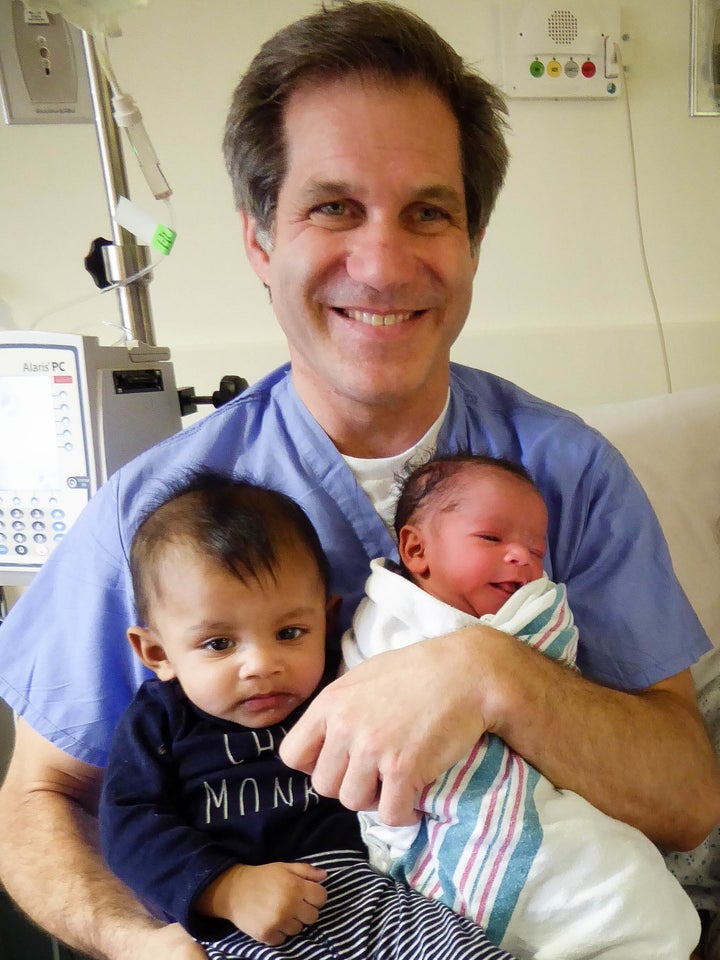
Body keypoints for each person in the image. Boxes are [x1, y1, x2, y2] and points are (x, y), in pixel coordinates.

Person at [0, 3, 718, 959]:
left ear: (471, 243)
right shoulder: (158, 512)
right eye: (333, 207)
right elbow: (41, 799)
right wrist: (143, 943)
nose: (382, 265)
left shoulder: (567, 472)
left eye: (429, 211)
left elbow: (687, 799)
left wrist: (489, 672)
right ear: (261, 241)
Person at [98, 470, 519, 960]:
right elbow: (129, 828)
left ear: (328, 619)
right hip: (240, 922)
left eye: (290, 633)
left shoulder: (348, 681)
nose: (261, 666)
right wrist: (226, 888)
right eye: (218, 644)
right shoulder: (161, 719)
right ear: (156, 653)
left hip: (372, 898)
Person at [342, 453, 701, 958]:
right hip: (446, 818)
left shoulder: (534, 616)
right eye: (491, 539)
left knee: (610, 878)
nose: (522, 559)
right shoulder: (384, 622)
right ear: (416, 549)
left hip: (543, 810)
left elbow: (560, 676)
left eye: (536, 549)